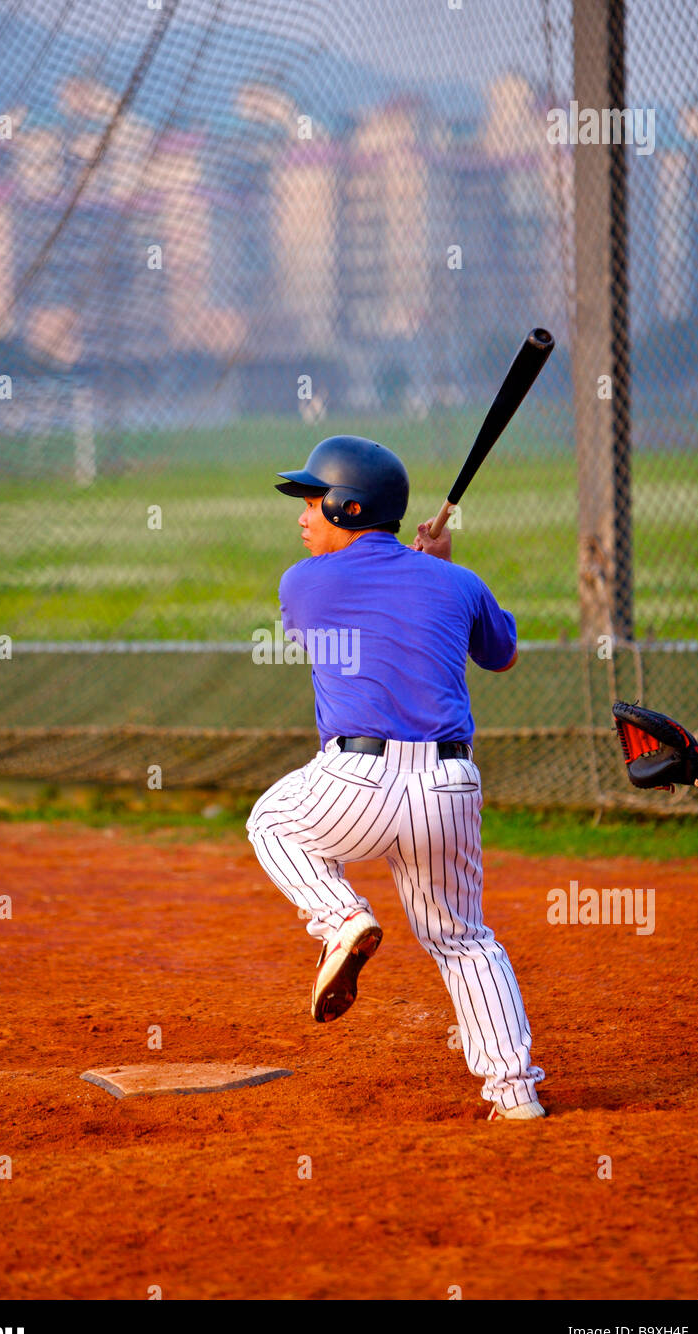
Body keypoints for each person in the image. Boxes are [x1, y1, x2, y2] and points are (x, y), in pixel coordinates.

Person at [246, 435, 546, 1120]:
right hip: (449, 789)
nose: (302, 516)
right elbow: (501, 653)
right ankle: (516, 1094)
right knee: (463, 940)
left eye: (314, 501)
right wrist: (441, 570)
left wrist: (417, 569)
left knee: (272, 822)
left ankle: (343, 919)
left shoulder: (302, 584)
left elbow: (364, 609)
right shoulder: (458, 583)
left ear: (349, 508)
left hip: (354, 782)